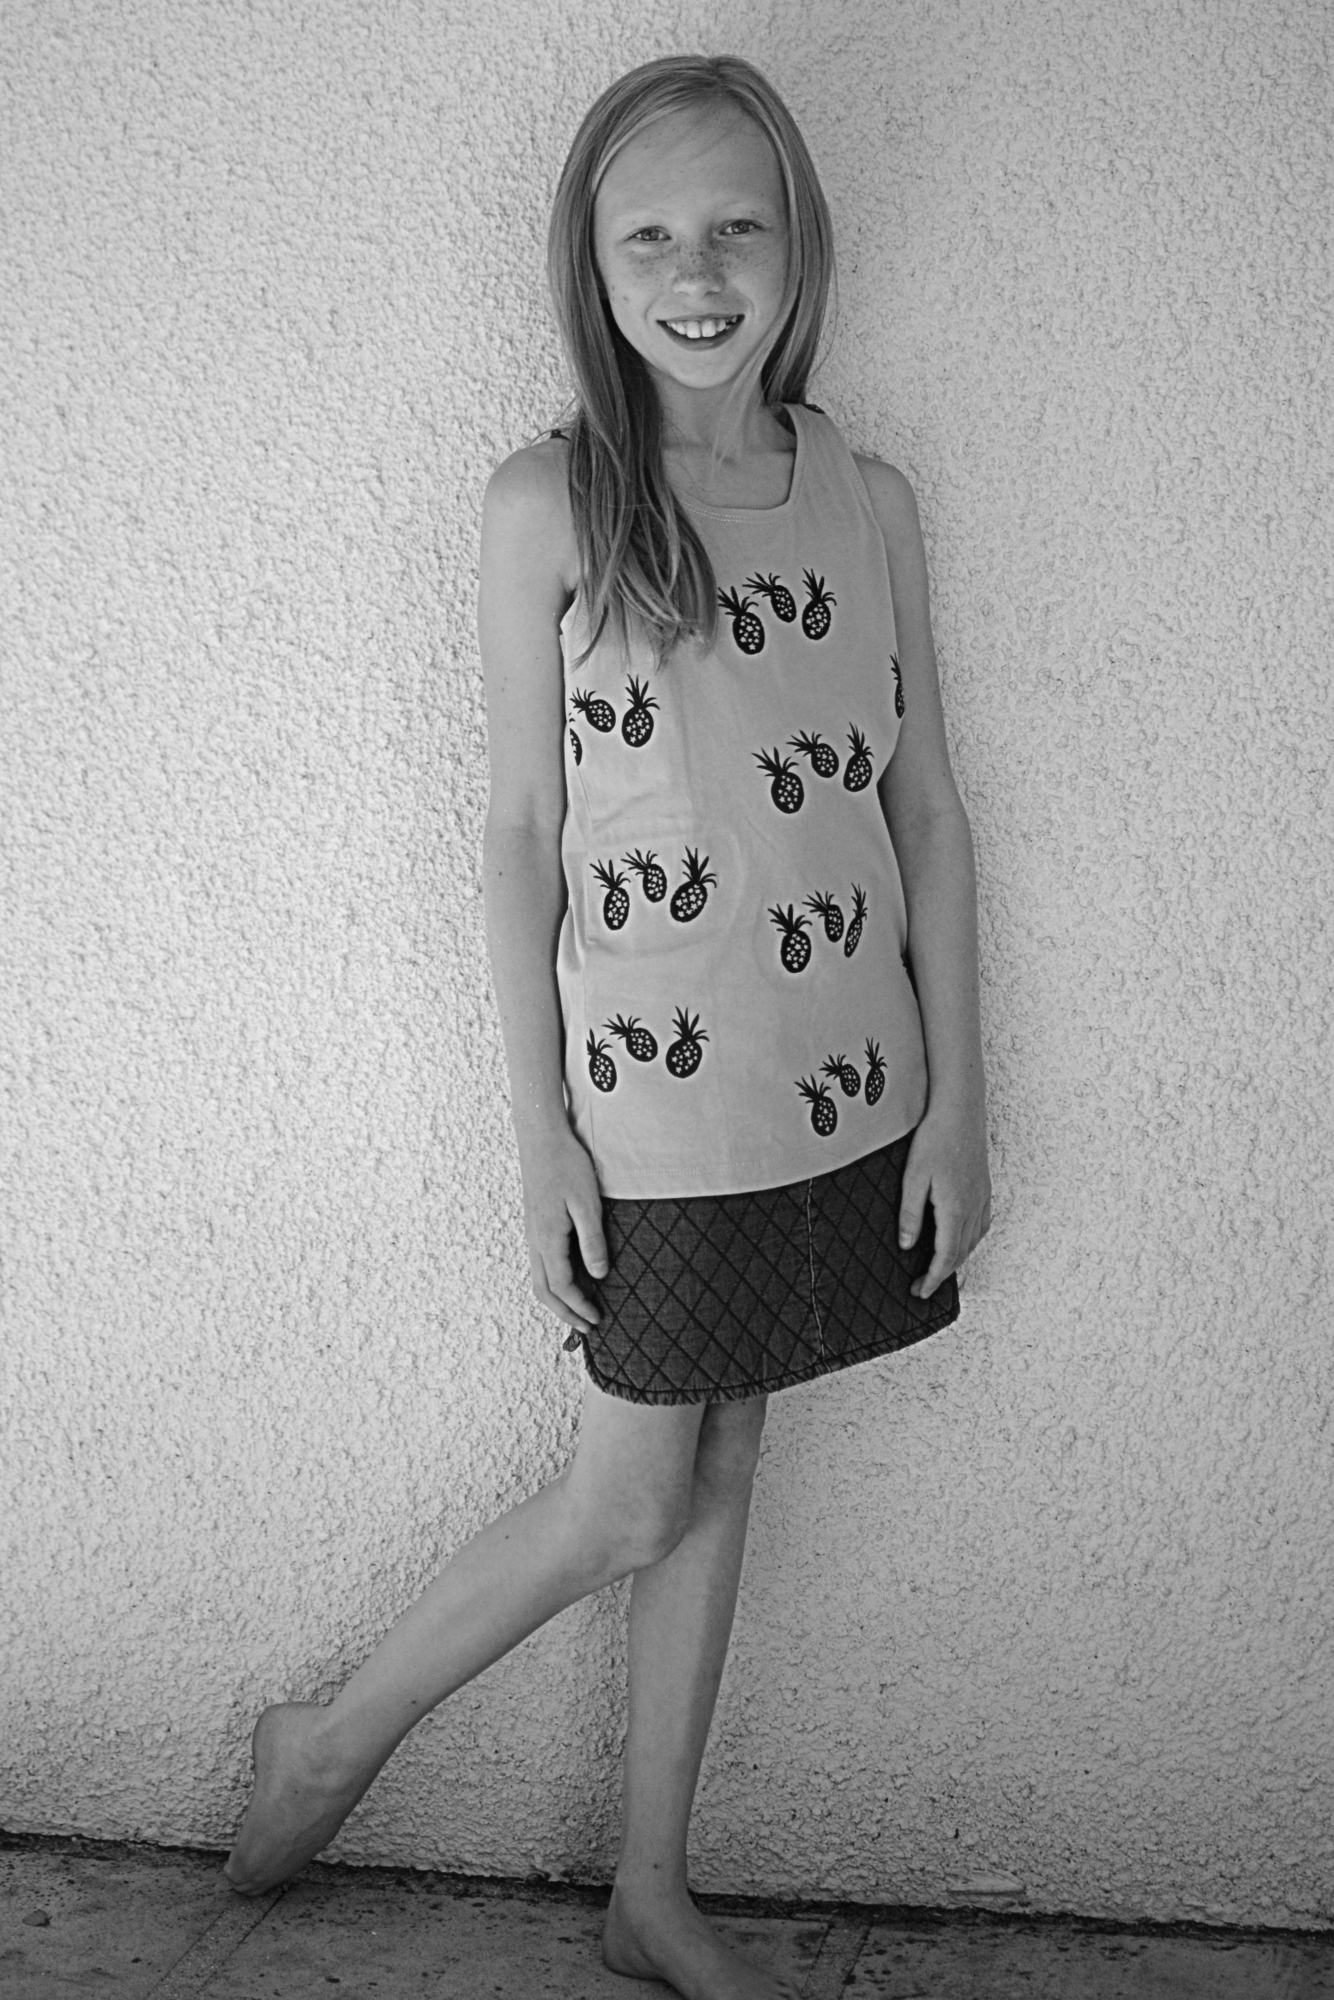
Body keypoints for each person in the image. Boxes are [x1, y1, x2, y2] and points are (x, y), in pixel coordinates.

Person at [224, 52, 991, 2000]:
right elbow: (517, 834)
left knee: (728, 1464)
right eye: (648, 234)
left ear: (799, 244)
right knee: (635, 1488)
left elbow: (923, 808)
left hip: (843, 1085)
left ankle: (651, 1884)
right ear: (589, 261)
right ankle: (335, 1732)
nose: (697, 271)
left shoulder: (867, 499)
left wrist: (956, 1106)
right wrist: (542, 1138)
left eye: (737, 225)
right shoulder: (550, 503)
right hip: (655, 1106)